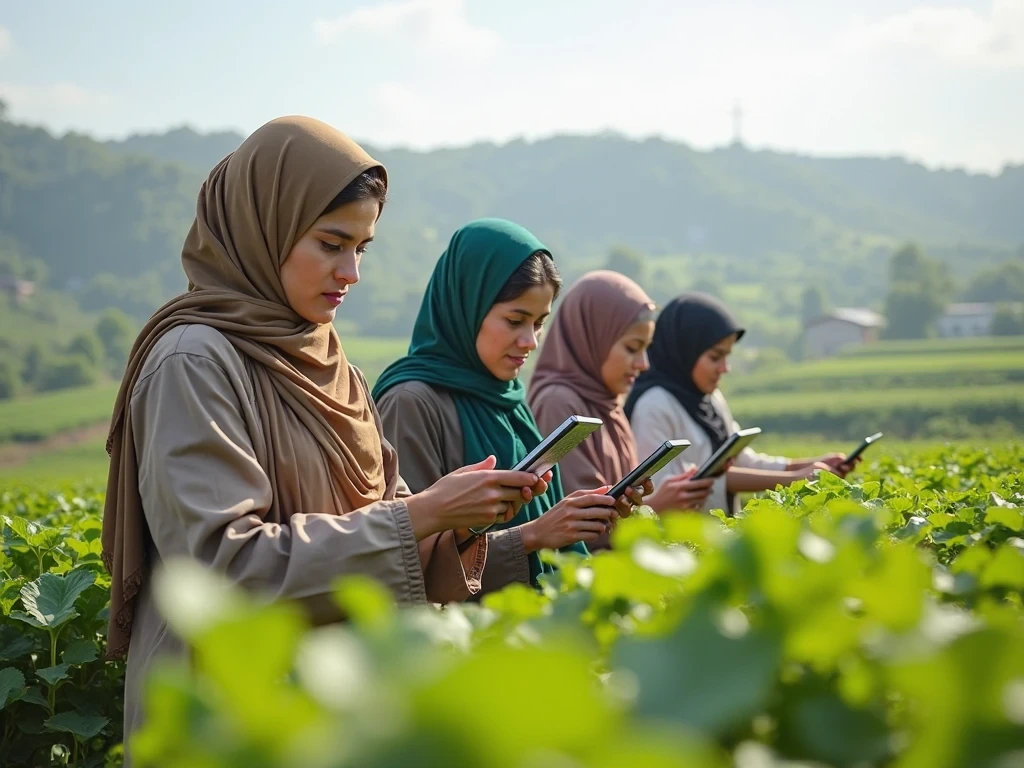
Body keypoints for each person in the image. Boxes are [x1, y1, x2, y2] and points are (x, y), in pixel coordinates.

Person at [101, 118, 546, 759]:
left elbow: (386, 528)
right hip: (229, 719)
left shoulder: (335, 365)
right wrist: (422, 513)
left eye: (362, 247)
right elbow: (221, 571)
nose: (352, 272)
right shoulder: (195, 362)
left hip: (333, 717)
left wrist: (462, 522)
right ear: (266, 227)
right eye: (332, 243)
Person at [373, 219, 621, 593]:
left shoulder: (508, 400)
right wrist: (534, 535)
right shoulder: (410, 404)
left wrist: (576, 518)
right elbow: (411, 563)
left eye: (539, 323)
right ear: (467, 305)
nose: (530, 341)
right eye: (515, 320)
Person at [527, 271, 713, 550]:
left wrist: (642, 502)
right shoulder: (559, 403)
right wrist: (656, 507)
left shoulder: (608, 402)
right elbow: (580, 525)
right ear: (593, 339)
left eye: (646, 349)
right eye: (632, 348)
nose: (643, 363)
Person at [625, 293, 854, 516]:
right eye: (715, 357)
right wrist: (796, 478)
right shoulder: (653, 406)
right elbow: (670, 490)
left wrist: (810, 465)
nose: (725, 368)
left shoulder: (709, 399)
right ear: (684, 350)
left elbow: (744, 461)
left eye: (727, 356)